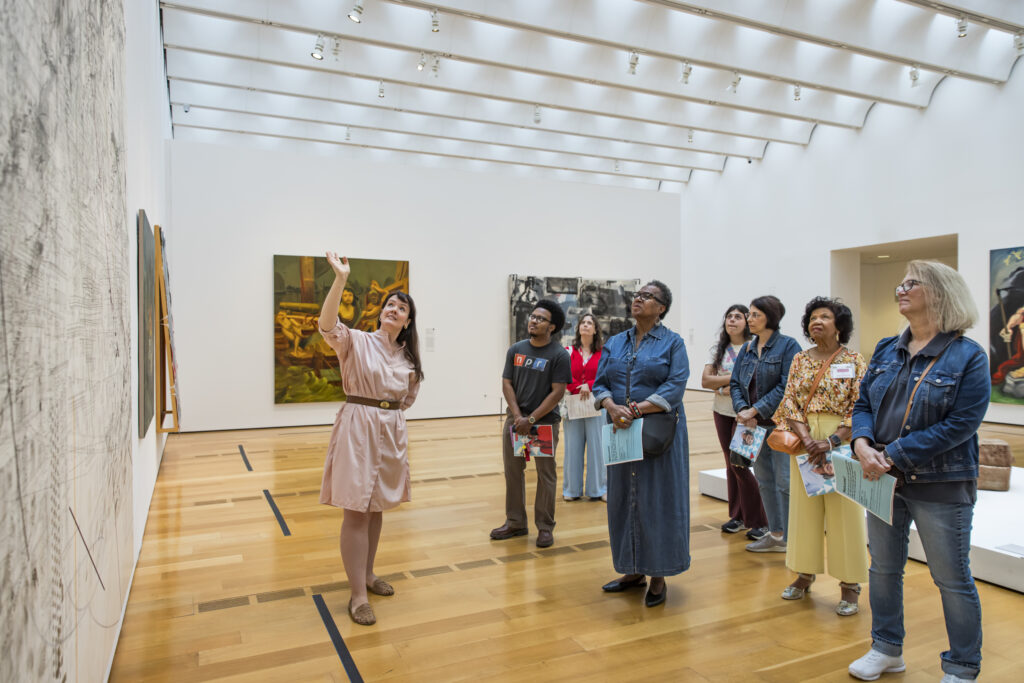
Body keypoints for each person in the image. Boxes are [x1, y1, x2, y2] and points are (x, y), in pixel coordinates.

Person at [847, 261, 989, 682]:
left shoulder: (968, 355)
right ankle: (886, 648)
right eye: (900, 282)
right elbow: (863, 407)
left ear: (941, 292)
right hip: (881, 479)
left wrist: (892, 455)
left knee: (951, 578)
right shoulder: (888, 348)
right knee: (884, 568)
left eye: (912, 283)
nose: (901, 289)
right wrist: (860, 444)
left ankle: (963, 665)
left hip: (940, 482)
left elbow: (962, 424)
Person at [316, 251, 423, 627]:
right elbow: (327, 324)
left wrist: (388, 418)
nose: (394, 309)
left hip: (390, 432)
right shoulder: (357, 341)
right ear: (381, 312)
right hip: (358, 429)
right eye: (390, 304)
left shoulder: (408, 359)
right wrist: (340, 280)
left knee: (376, 507)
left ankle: (368, 574)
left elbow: (407, 399)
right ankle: (357, 595)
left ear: (408, 322)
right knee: (356, 510)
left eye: (401, 307)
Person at [592, 280, 690, 608]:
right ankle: (631, 570)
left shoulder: (673, 343)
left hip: (658, 431)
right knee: (623, 498)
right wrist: (611, 405)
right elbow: (600, 382)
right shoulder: (617, 342)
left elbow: (676, 385)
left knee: (656, 499)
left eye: (647, 296)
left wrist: (635, 409)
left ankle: (658, 574)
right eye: (637, 295)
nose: (638, 299)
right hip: (620, 428)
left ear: (661, 307)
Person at [772, 297, 868, 615]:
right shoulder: (800, 358)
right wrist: (806, 439)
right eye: (813, 317)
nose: (817, 321)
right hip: (804, 441)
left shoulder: (854, 360)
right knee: (804, 510)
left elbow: (861, 404)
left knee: (845, 513)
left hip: (840, 439)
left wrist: (831, 441)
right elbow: (790, 402)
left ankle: (850, 585)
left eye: (825, 316)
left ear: (839, 325)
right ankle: (803, 573)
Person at [491, 299, 572, 548]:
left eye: (540, 318)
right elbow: (507, 383)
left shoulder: (558, 355)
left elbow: (558, 391)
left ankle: (545, 527)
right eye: (532, 316)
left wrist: (532, 419)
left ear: (552, 327)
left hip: (542, 424)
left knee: (544, 475)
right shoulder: (516, 349)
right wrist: (518, 418)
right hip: (518, 423)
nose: (533, 321)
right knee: (514, 472)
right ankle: (515, 522)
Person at [729, 295, 801, 552]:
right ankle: (776, 534)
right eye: (750, 314)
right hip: (753, 426)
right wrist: (742, 410)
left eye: (755, 314)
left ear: (771, 317)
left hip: (780, 425)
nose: (749, 319)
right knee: (764, 480)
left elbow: (787, 385)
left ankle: (793, 540)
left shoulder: (788, 346)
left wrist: (756, 409)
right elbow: (736, 382)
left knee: (784, 482)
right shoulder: (748, 348)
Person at [701, 304, 767, 534]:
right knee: (730, 464)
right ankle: (737, 515)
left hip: (744, 415)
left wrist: (729, 380)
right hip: (721, 411)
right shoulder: (718, 349)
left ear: (746, 322)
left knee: (741, 465)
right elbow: (705, 381)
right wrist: (727, 384)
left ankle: (759, 520)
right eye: (729, 316)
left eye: (738, 316)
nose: (732, 320)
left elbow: (755, 380)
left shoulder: (753, 348)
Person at [563, 313, 607, 502]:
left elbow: (607, 375)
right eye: (583, 322)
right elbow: (562, 375)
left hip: (596, 404)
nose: (586, 325)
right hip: (572, 403)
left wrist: (589, 384)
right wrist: (576, 387)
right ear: (578, 328)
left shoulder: (604, 353)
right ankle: (571, 490)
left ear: (595, 329)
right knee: (572, 448)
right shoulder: (567, 351)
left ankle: (598, 489)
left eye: (590, 323)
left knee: (597, 448)